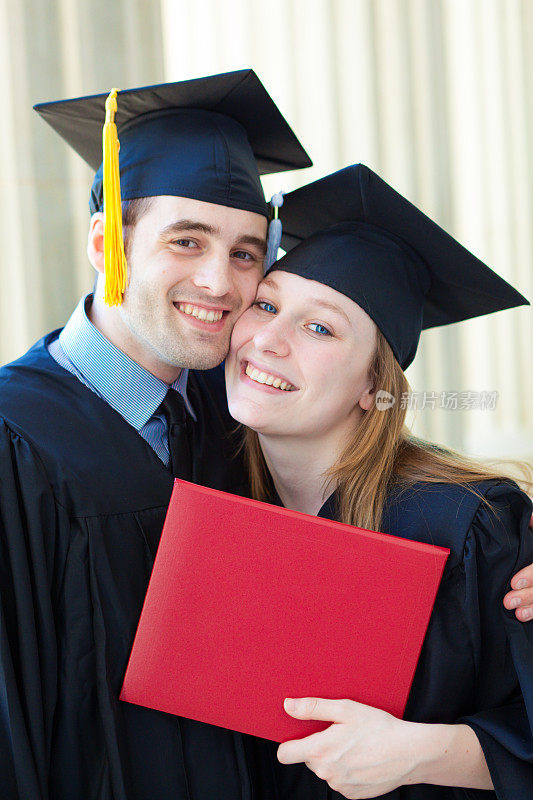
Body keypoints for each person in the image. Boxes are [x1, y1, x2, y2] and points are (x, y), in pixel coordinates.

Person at [0, 71, 312, 800]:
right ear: (109, 242)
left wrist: (505, 561)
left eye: (244, 252)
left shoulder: (247, 414)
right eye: (186, 241)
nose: (219, 282)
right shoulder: (14, 439)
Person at [224, 164, 533, 799]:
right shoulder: (210, 498)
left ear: (374, 386)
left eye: (320, 327)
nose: (268, 341)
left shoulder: (471, 525)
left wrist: (433, 753)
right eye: (266, 303)